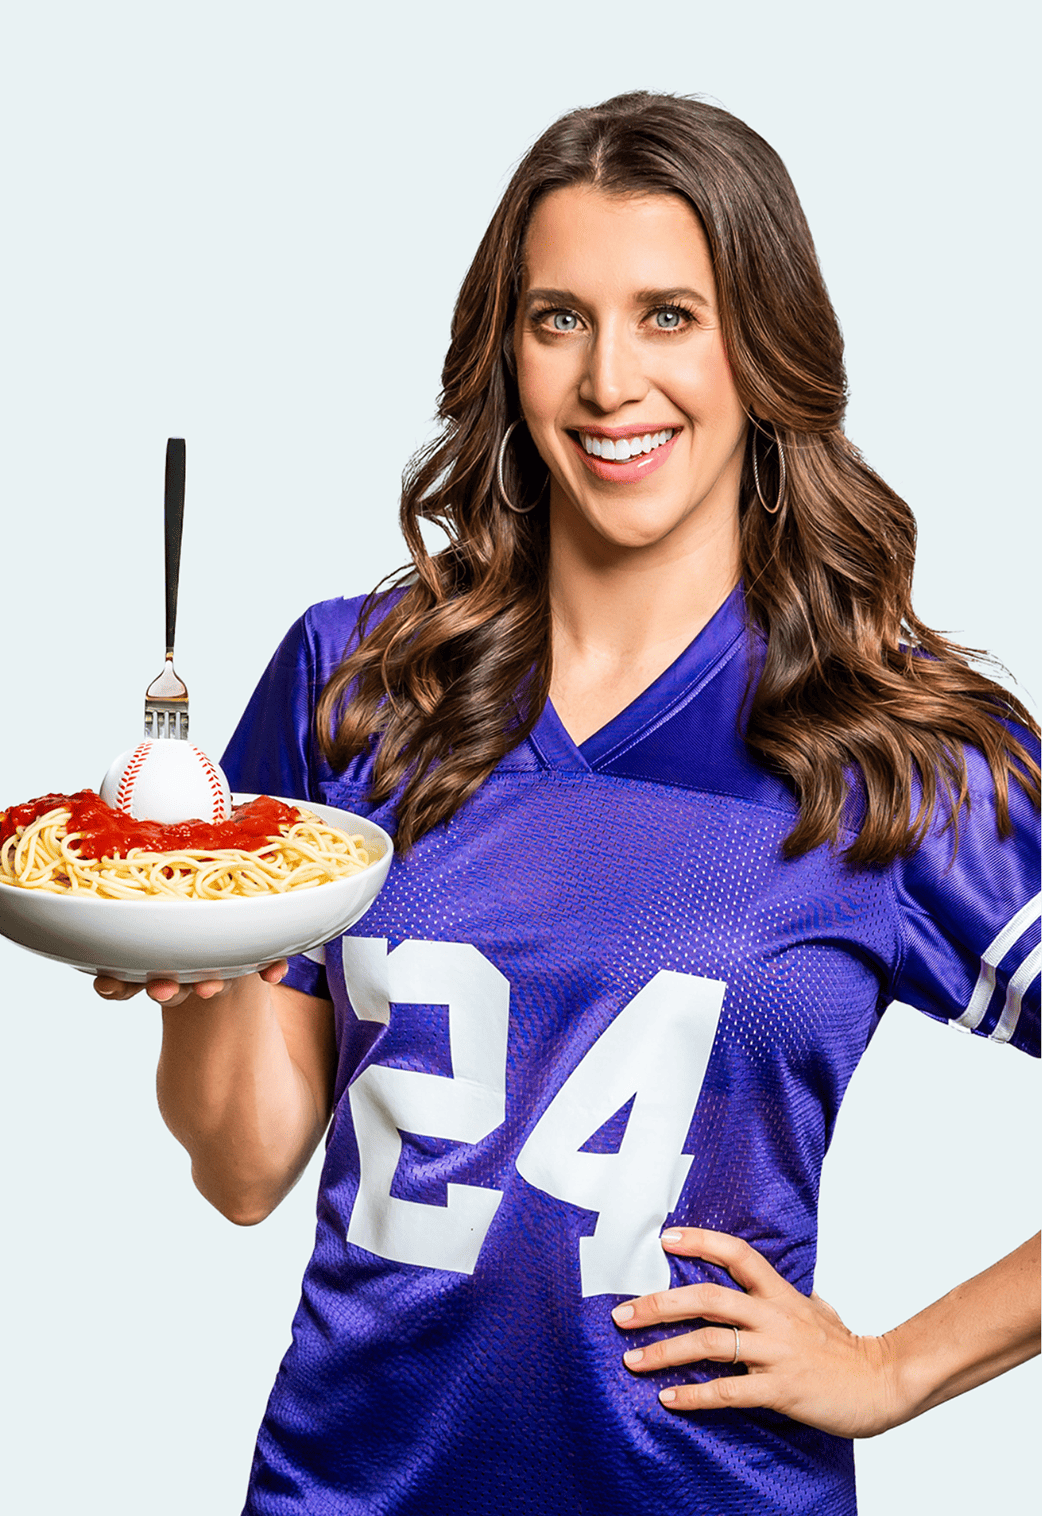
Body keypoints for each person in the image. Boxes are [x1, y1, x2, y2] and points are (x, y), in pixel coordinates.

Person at [96, 92, 1040, 1514]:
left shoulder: (893, 739)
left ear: (763, 346)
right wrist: (195, 965)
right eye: (559, 318)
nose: (610, 382)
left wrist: (897, 1370)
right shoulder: (350, 678)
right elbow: (243, 1168)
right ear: (506, 348)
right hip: (354, 1487)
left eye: (670, 314)